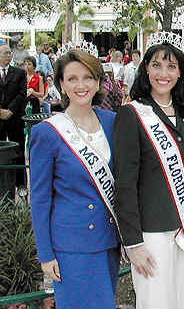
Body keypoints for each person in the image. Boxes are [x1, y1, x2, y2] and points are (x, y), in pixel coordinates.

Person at [114, 34, 184, 309]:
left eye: (171, 66)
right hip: (150, 234)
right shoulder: (132, 114)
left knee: (179, 302)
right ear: (146, 69)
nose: (163, 73)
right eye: (156, 65)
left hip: (183, 228)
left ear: (181, 72)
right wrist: (133, 243)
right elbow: (125, 184)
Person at [30, 49, 120, 309]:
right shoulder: (47, 132)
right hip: (71, 247)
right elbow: (40, 198)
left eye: (88, 77)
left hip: (107, 242)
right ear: (61, 84)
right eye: (72, 79)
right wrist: (46, 255)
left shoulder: (112, 122)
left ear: (98, 82)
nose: (81, 85)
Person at [0, 44, 27, 189]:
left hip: (14, 119)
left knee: (18, 152)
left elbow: (22, 94)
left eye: (10, 53)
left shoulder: (19, 73)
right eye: (5, 53)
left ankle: (21, 186)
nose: (8, 56)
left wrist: (10, 110)